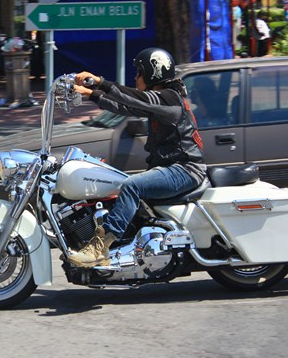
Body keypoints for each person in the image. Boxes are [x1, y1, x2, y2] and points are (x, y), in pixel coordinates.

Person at [68, 48, 207, 267]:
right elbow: (125, 106)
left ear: (152, 73)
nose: (136, 78)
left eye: (139, 73)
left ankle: (100, 248)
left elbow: (134, 97)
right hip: (172, 167)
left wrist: (100, 83)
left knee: (132, 186)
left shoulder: (169, 99)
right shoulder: (161, 101)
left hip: (184, 170)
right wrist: (91, 94)